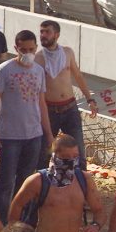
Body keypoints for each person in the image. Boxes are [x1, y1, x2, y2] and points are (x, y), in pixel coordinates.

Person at [8, 135, 107, 232]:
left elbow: (99, 211)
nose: (71, 161)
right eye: (66, 157)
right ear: (55, 156)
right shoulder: (38, 181)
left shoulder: (84, 179)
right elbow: (17, 205)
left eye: (75, 156)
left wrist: (95, 225)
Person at [0, 30, 52, 223]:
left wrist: (48, 134)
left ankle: (20, 222)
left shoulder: (39, 71)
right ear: (16, 48)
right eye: (24, 49)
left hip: (33, 134)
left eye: (31, 49)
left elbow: (41, 103)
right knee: (6, 182)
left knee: (25, 182)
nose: (28, 53)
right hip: (9, 135)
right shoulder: (4, 69)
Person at [36, 20, 96, 168]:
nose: (43, 35)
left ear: (56, 35)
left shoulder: (67, 52)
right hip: (50, 110)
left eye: (47, 32)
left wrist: (90, 99)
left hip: (70, 107)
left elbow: (78, 76)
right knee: (45, 151)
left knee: (79, 150)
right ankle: (43, 183)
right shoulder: (38, 58)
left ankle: (81, 184)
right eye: (41, 32)